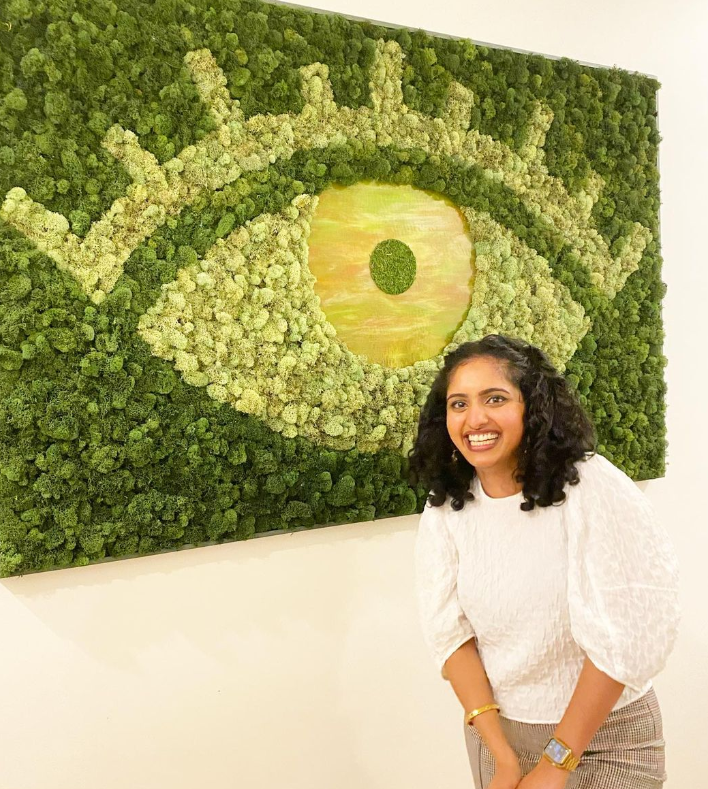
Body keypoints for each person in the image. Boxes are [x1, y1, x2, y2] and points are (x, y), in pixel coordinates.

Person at [410, 334, 680, 789]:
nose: (474, 418)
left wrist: (556, 763)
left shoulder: (591, 487)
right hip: (501, 738)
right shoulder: (446, 510)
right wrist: (503, 757)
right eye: (458, 404)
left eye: (494, 398)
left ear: (532, 408)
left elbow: (624, 636)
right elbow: (451, 635)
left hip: (605, 739)